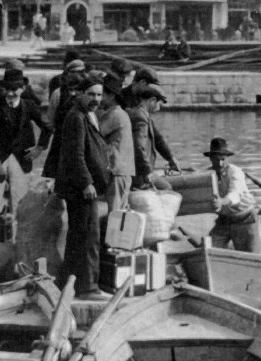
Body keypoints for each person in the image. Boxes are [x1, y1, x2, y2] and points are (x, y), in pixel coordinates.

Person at [0, 68, 51, 243]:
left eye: (15, 89)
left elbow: (47, 127)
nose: (11, 93)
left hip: (21, 160)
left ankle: (19, 250)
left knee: (20, 207)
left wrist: (39, 148)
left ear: (22, 89)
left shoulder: (29, 106)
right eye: (7, 89)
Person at [54, 75, 110, 296]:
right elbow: (74, 155)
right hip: (81, 188)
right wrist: (87, 182)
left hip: (79, 186)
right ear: (80, 94)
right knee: (89, 236)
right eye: (91, 94)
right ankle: (88, 286)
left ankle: (68, 282)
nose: (96, 99)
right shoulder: (77, 117)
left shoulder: (87, 115)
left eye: (99, 94)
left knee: (77, 235)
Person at [205, 137, 261, 253]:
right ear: (210, 159)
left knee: (252, 257)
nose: (220, 164)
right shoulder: (207, 174)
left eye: (223, 159)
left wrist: (221, 202)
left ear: (227, 158)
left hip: (244, 219)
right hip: (224, 221)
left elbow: (234, 195)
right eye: (216, 160)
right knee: (207, 249)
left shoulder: (236, 172)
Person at [128, 84, 179, 188]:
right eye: (159, 104)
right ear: (152, 100)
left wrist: (170, 158)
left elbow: (158, 140)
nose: (159, 108)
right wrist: (147, 171)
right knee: (166, 187)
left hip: (139, 170)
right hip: (139, 173)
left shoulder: (142, 115)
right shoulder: (140, 117)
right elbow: (139, 146)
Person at [97, 74, 135, 212]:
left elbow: (95, 135)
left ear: (112, 96)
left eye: (101, 95)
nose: (98, 99)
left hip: (117, 170)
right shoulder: (120, 113)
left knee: (115, 213)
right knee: (119, 211)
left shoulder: (114, 115)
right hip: (123, 170)